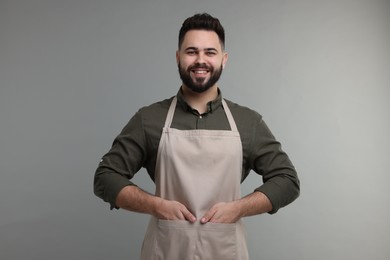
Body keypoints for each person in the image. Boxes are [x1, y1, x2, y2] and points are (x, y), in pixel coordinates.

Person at [94, 13, 300, 259]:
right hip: (166, 250)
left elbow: (287, 180)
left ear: (224, 60)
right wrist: (155, 205)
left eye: (210, 52)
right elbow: (105, 177)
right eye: (191, 51)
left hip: (225, 250)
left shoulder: (248, 122)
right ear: (178, 57)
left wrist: (239, 208)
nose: (200, 60)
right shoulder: (149, 119)